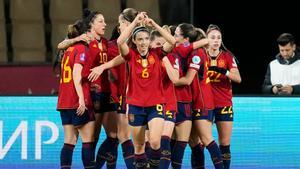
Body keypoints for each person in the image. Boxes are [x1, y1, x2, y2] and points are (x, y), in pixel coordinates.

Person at [56, 20, 95, 169]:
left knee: (69, 141)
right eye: (90, 31)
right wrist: (81, 100)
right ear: (85, 33)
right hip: (76, 100)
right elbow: (76, 75)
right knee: (88, 141)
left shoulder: (68, 50)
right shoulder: (81, 49)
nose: (92, 34)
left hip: (63, 102)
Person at [206, 24, 241, 169]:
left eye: (219, 38)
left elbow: (238, 79)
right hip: (204, 105)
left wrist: (224, 71)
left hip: (224, 103)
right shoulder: (200, 55)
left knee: (225, 143)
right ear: (206, 39)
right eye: (213, 37)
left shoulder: (227, 56)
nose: (216, 40)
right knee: (203, 142)